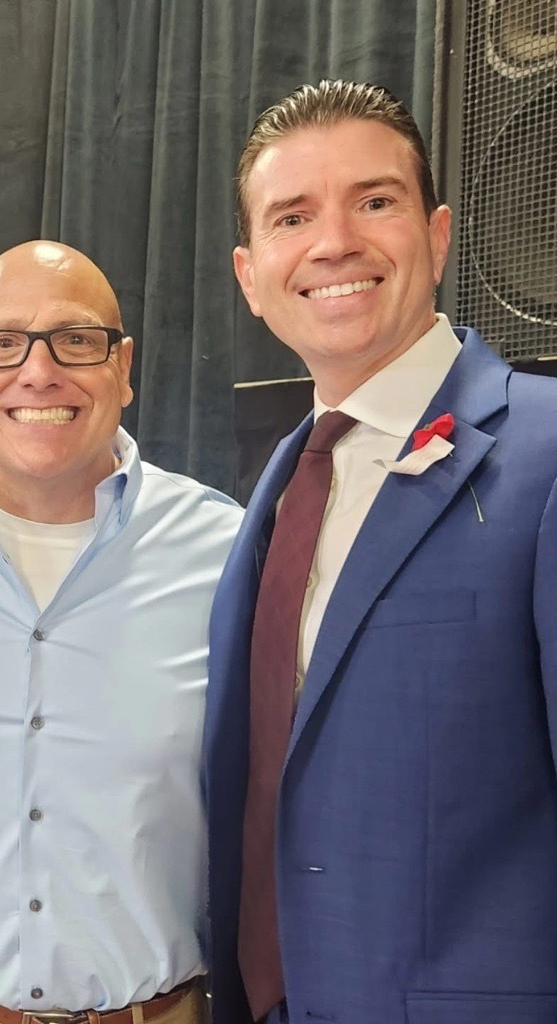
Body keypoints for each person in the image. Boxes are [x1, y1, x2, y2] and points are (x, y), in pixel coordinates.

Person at [203, 79, 557, 1024]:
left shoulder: (547, 452)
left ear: (437, 235)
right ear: (250, 273)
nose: (334, 244)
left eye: (374, 201)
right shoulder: (279, 485)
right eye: (292, 217)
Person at [0, 240, 243, 1024]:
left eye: (77, 340)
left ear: (123, 367)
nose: (38, 371)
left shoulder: (226, 549)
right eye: (1, 344)